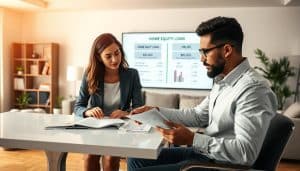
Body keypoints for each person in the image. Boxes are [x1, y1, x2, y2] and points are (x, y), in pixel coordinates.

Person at [127, 16, 277, 171]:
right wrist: (155, 111)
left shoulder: (253, 89)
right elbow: (198, 115)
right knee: (136, 159)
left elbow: (246, 153)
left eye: (205, 52)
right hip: (206, 154)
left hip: (220, 165)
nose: (201, 59)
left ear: (226, 50)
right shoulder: (223, 81)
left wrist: (193, 139)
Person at [74, 33, 144, 171]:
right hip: (94, 128)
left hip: (118, 129)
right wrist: (88, 111)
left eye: (117, 53)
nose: (115, 59)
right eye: (108, 56)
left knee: (111, 159)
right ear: (99, 58)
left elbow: (139, 108)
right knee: (89, 158)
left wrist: (125, 113)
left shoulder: (132, 75)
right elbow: (78, 107)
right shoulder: (90, 75)